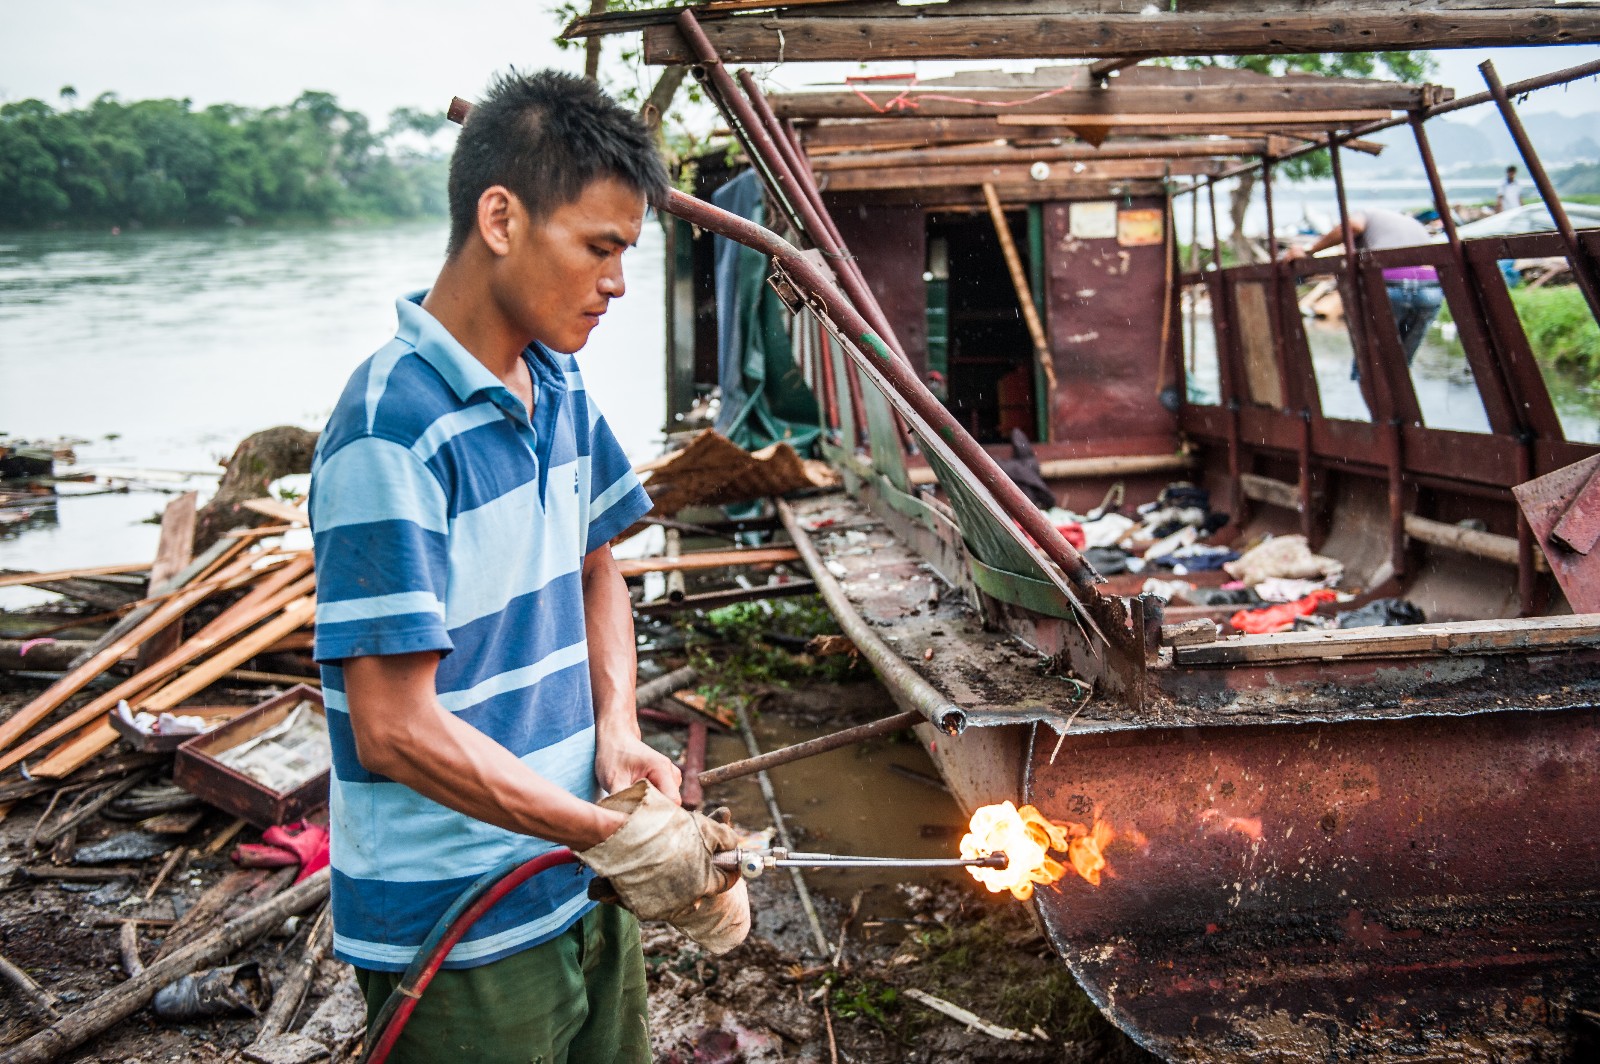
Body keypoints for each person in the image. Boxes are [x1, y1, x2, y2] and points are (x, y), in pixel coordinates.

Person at [308, 70, 747, 1064]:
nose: (618, 283)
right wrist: (611, 833)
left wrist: (618, 730)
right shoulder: (392, 430)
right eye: (599, 247)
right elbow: (393, 729)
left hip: (578, 878)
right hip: (460, 921)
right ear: (500, 217)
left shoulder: (556, 379)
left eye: (627, 253)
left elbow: (596, 567)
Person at [1285, 206, 1443, 370]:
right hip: (1430, 291)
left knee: (1370, 362)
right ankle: (1398, 387)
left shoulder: (1367, 214)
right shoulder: (1412, 224)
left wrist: (1310, 250)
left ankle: (1370, 381)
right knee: (1401, 362)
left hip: (1389, 285)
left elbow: (1353, 226)